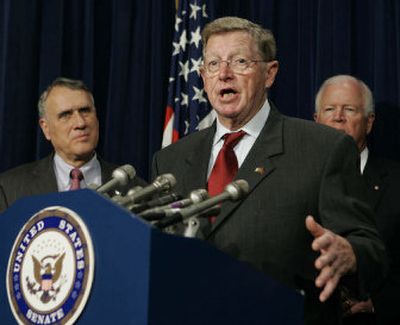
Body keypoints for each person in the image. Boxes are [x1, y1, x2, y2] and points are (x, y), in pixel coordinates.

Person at [152, 17, 387, 324]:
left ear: (269, 73)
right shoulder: (169, 161)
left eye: (239, 61)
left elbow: (372, 251)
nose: (224, 74)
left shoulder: (321, 148)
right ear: (202, 76)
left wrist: (351, 254)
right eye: (213, 64)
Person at [314, 74, 400, 325]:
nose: (338, 116)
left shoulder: (396, 182)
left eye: (349, 109)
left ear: (369, 122)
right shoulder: (290, 177)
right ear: (316, 120)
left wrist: (379, 303)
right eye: (330, 109)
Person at [0, 77, 145, 212]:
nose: (80, 123)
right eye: (66, 115)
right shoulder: (9, 190)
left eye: (85, 111)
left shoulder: (137, 190)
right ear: (46, 128)